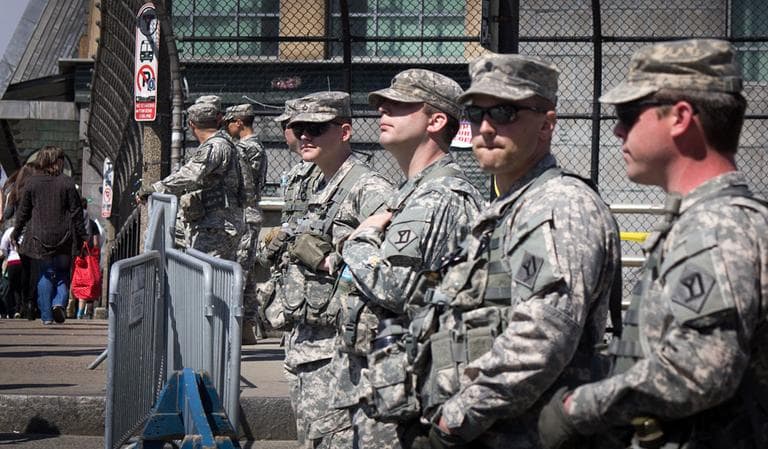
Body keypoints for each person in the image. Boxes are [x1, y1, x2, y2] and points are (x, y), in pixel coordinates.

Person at [538, 38, 768, 449]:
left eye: (629, 113)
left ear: (680, 117)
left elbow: (701, 367)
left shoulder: (714, 226)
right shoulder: (712, 220)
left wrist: (580, 406)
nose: (617, 129)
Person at [419, 53, 622, 449]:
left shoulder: (558, 204)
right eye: (476, 115)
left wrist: (453, 421)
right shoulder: (508, 207)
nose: (487, 127)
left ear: (547, 123)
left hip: (522, 433)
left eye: (506, 113)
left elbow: (541, 337)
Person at [321, 69, 485, 448]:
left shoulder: (439, 197)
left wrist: (358, 239)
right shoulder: (410, 193)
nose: (383, 113)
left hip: (407, 387)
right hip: (383, 380)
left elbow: (395, 287)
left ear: (436, 120)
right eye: (382, 106)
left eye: (398, 106)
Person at [278, 91, 393, 448]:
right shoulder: (315, 181)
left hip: (338, 350)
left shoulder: (367, 185)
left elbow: (389, 251)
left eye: (316, 127)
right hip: (305, 343)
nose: (304, 136)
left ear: (344, 132)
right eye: (298, 129)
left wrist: (335, 257)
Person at [138, 101, 244, 261]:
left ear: (191, 124)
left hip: (218, 225)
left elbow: (190, 174)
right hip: (210, 222)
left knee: (209, 277)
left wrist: (156, 188)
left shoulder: (216, 146)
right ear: (218, 120)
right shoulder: (219, 144)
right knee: (158, 234)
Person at [11, 146, 87, 325]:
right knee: (62, 273)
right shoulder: (67, 183)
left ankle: (46, 317)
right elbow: (76, 212)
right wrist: (83, 236)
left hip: (40, 237)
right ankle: (59, 303)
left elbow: (23, 211)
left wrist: (16, 231)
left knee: (45, 274)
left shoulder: (32, 183)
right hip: (64, 236)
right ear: (58, 161)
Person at [223, 103, 269, 344]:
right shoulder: (250, 147)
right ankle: (246, 328)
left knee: (239, 272)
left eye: (230, 121)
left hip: (245, 215)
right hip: (245, 215)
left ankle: (239, 325)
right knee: (246, 273)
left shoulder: (248, 148)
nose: (228, 127)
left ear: (239, 122)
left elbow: (243, 185)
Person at [0, 226, 22, 318]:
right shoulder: (26, 229)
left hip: (11, 261)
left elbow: (3, 247)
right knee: (21, 287)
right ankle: (19, 309)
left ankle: (9, 310)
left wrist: (6, 256)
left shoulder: (8, 231)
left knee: (10, 287)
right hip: (23, 261)